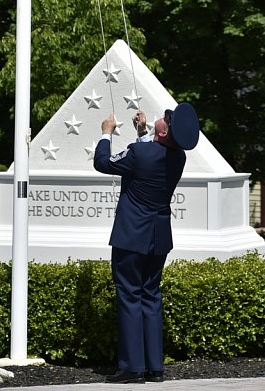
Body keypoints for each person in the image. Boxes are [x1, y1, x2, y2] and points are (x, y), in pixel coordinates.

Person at [93, 103, 200, 384]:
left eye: (166, 120)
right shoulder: (178, 157)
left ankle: (132, 368)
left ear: (164, 132)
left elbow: (103, 163)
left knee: (129, 296)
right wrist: (141, 133)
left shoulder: (142, 152)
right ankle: (154, 367)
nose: (162, 119)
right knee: (150, 296)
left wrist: (106, 134)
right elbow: (151, 155)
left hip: (132, 235)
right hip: (159, 235)